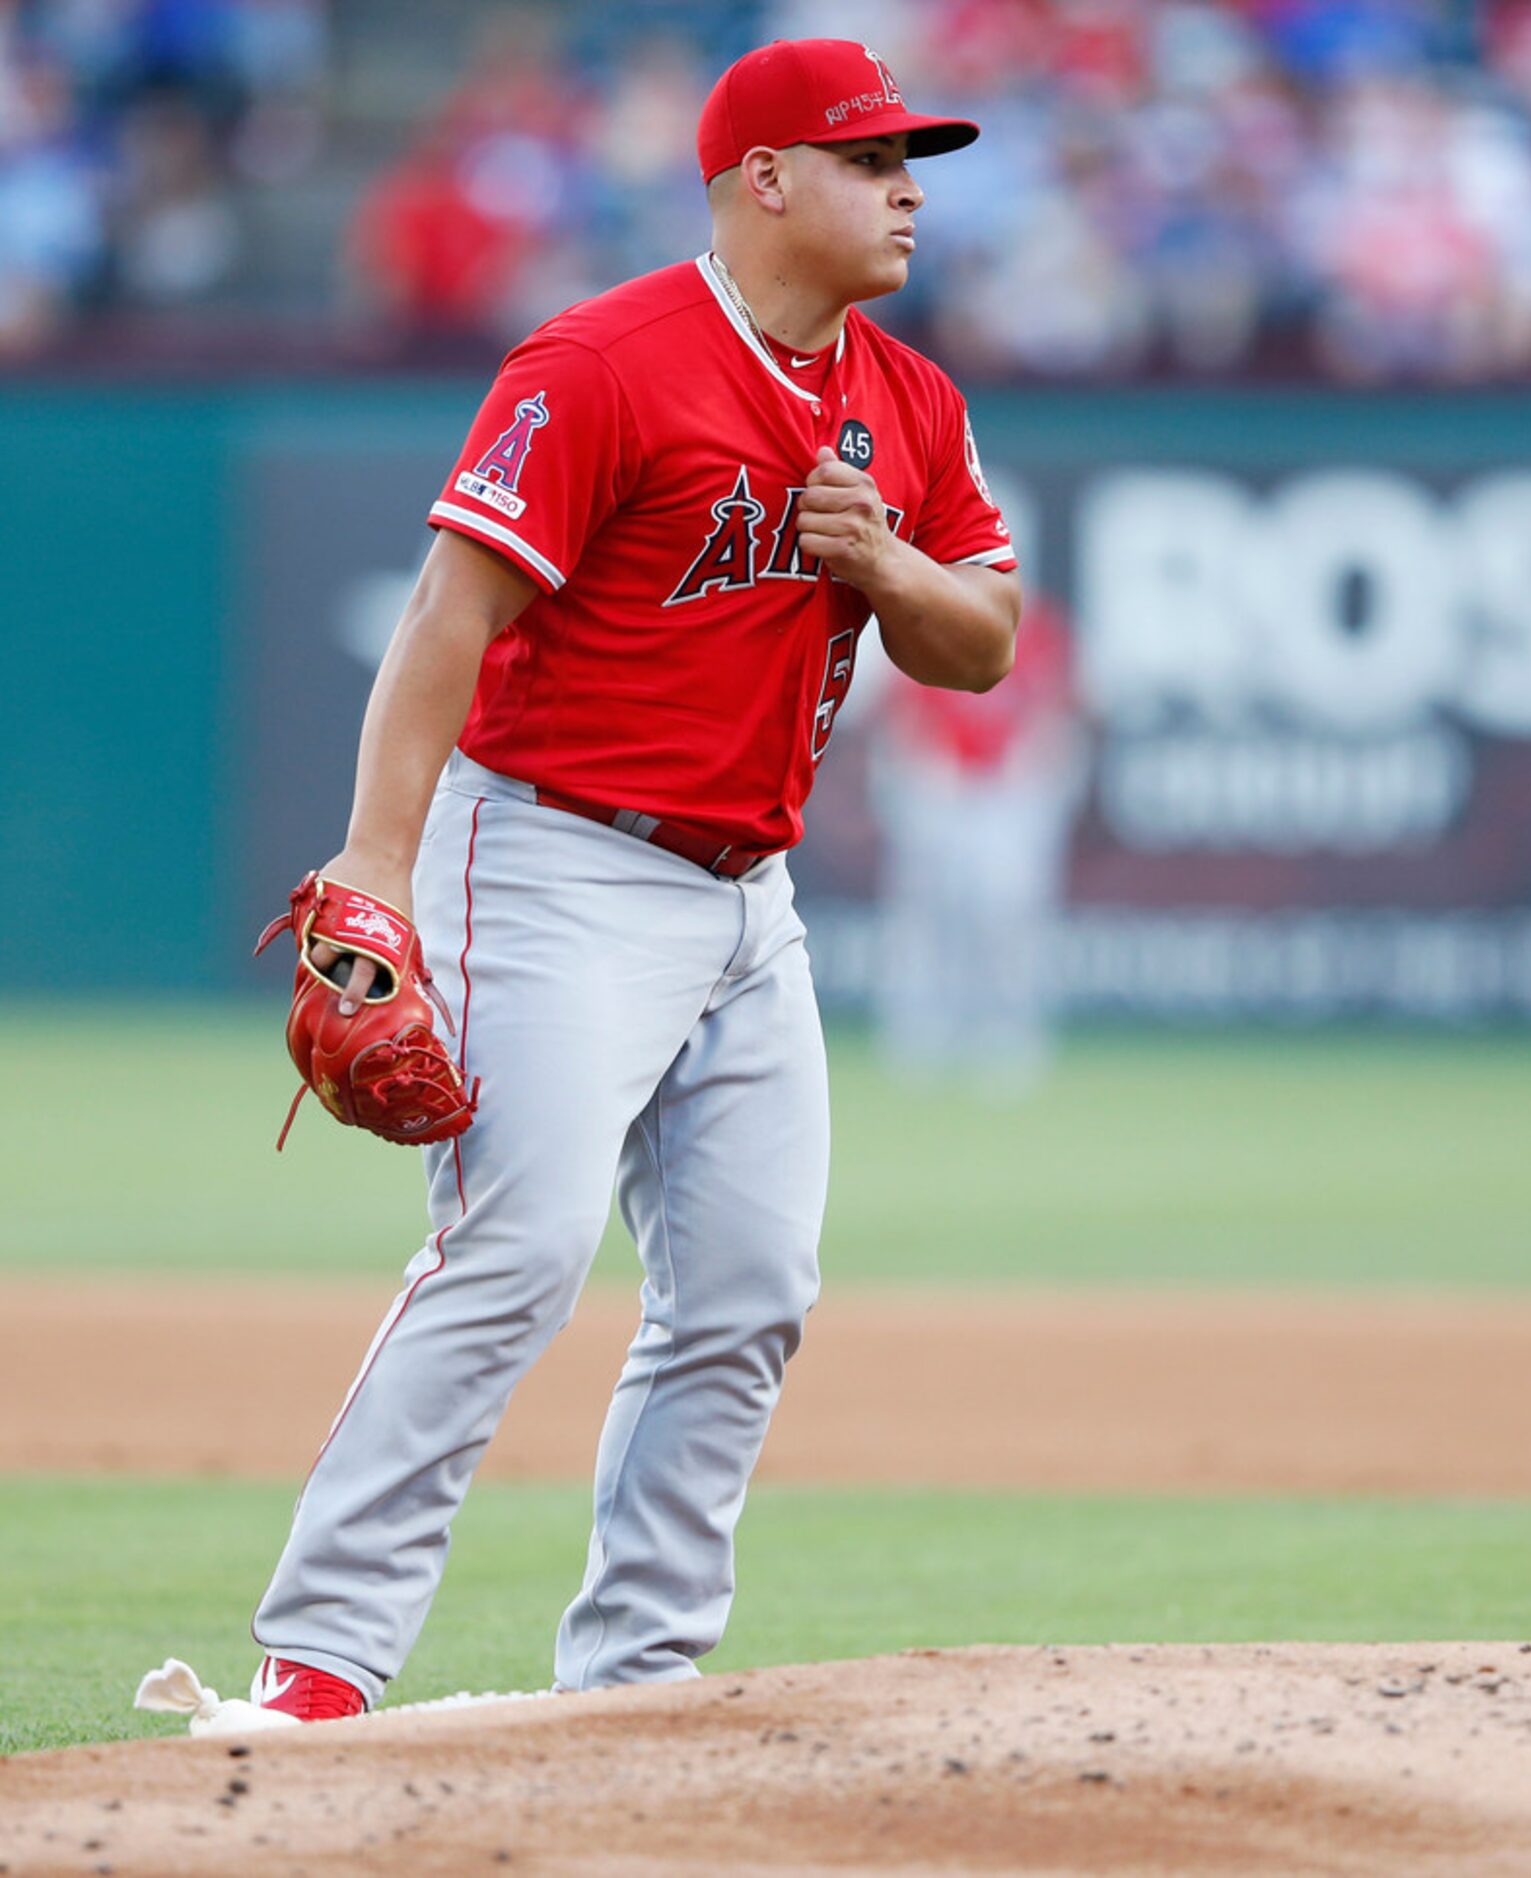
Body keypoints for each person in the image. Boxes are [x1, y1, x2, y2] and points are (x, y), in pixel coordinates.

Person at [244, 38, 1019, 1722]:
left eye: (914, 158)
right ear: (761, 178)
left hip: (752, 899)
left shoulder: (912, 396)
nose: (908, 188)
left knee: (747, 1290)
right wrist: (377, 859)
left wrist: (880, 556)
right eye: (872, 156)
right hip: (553, 861)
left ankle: (639, 1688)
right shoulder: (602, 360)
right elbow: (449, 612)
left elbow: (985, 640)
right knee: (515, 1250)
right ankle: (318, 1663)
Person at [870, 592, 1084, 1090]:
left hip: (1008, 795)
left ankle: (1008, 1032)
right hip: (938, 787)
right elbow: (902, 711)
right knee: (927, 918)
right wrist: (921, 775)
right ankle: (921, 1031)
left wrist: (1034, 778)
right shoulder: (926, 614)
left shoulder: (1041, 633)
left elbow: (1062, 714)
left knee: (1007, 917)